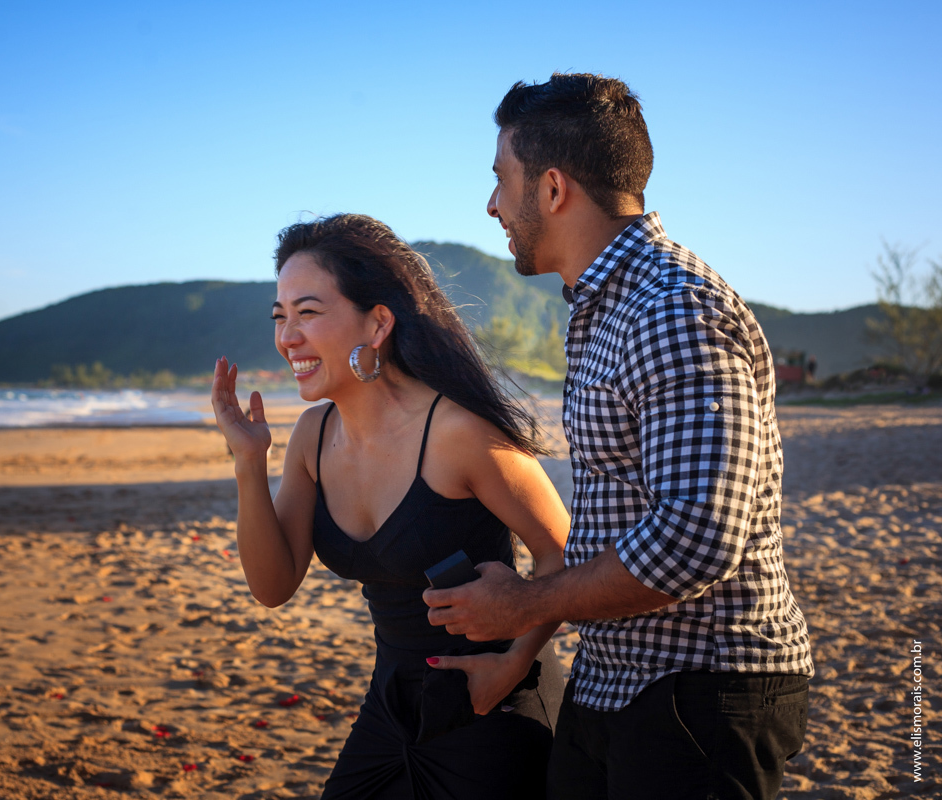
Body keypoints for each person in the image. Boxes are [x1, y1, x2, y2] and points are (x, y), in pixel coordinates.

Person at [423, 74, 814, 800]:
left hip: (700, 691)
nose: (492, 205)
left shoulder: (670, 309)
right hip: (614, 683)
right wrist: (521, 649)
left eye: (501, 179)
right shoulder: (604, 307)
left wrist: (525, 605)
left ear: (552, 187)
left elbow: (697, 538)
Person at [210, 213, 570, 798]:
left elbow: (560, 553)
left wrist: (513, 663)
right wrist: (248, 462)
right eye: (280, 317)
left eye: (307, 313)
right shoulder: (312, 436)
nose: (287, 338)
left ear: (377, 323)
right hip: (390, 706)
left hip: (495, 702)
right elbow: (272, 586)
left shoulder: (457, 432)